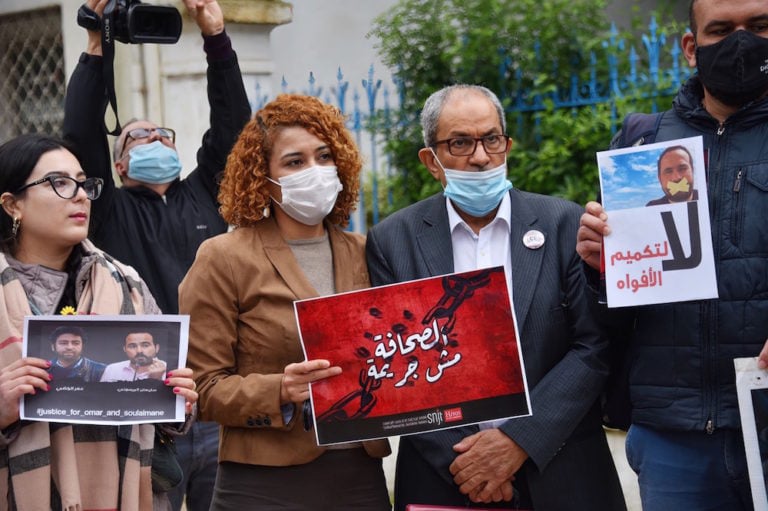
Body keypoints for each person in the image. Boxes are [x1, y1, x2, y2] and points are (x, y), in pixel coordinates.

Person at [365, 84, 625, 510]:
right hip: (447, 478)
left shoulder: (564, 224)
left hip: (564, 472)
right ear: (431, 161)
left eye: (491, 139)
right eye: (460, 143)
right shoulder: (394, 241)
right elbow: (401, 372)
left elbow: (592, 347)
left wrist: (517, 442)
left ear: (507, 145)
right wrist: (472, 462)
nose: (481, 156)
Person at [576, 0, 768, 509]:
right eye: (722, 30)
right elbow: (608, 312)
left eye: (761, 26)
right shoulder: (643, 144)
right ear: (691, 48)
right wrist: (599, 271)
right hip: (671, 437)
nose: (742, 42)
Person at [62, 1, 251, 508]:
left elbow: (234, 127)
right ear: (120, 163)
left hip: (210, 399)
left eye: (161, 133)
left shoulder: (205, 194)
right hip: (141, 404)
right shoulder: (110, 211)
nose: (151, 138)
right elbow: (80, 136)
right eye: (135, 136)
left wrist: (216, 37)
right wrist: (96, 44)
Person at [178, 94, 391, 510]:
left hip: (359, 478)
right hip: (263, 484)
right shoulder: (224, 257)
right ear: (263, 176)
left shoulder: (364, 250)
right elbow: (202, 389)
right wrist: (281, 389)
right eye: (295, 162)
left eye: (325, 156)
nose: (315, 171)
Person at [0, 134, 197, 510]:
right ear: (12, 205)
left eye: (83, 183)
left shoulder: (126, 282)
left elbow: (168, 411)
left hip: (127, 493)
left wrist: (178, 402)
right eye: (58, 183)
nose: (79, 196)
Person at [101, 331, 167, 382]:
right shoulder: (112, 369)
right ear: (125, 349)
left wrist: (157, 380)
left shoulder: (169, 369)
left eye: (145, 345)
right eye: (132, 346)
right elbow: (101, 396)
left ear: (157, 348)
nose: (139, 351)